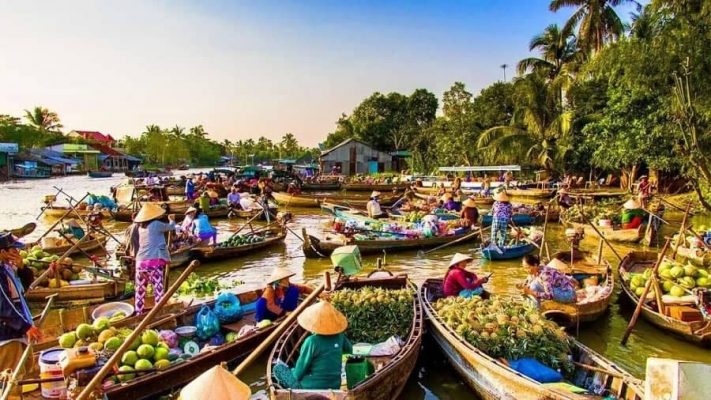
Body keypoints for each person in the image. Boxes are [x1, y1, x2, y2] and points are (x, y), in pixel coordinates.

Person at [274, 301, 352, 390]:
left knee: (278, 368)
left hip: (310, 387)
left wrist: (292, 371)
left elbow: (298, 374)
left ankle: (293, 389)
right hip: (335, 385)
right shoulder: (340, 337)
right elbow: (349, 350)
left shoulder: (311, 341)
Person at [0, 233, 41, 390]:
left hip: (17, 330)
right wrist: (25, 327)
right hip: (8, 336)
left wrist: (23, 268)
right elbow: (4, 306)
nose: (17, 253)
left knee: (24, 376)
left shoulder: (7, 268)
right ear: (3, 252)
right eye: (13, 250)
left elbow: (23, 288)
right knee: (11, 382)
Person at [134, 203, 176, 314]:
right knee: (158, 290)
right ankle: (159, 312)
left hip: (140, 262)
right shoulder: (156, 224)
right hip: (153, 262)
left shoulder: (141, 227)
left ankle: (139, 312)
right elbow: (171, 227)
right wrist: (171, 219)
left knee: (140, 290)